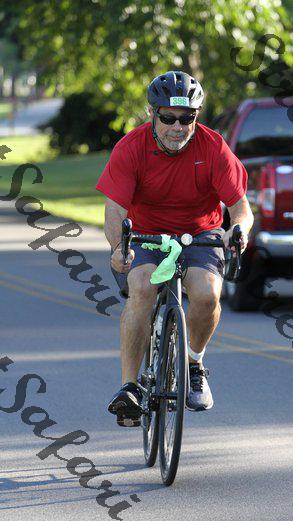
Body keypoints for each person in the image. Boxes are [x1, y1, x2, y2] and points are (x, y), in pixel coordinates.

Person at [96, 70, 253, 427]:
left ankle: (194, 365)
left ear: (196, 116)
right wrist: (119, 248)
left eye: (187, 118)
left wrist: (238, 230)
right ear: (152, 114)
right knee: (142, 288)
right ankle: (130, 388)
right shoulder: (131, 147)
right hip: (146, 236)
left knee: (207, 295)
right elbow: (114, 209)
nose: (178, 127)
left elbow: (240, 207)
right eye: (168, 118)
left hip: (199, 235)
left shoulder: (213, 147)